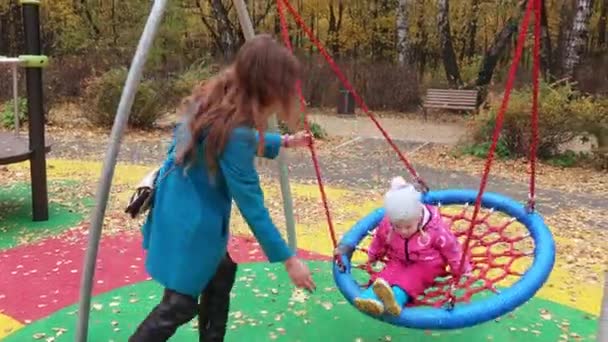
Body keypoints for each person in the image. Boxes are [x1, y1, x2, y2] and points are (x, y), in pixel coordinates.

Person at [129, 34, 316, 342]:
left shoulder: (218, 94)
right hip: (193, 221)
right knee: (180, 303)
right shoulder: (236, 128)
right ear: (266, 89)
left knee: (220, 273)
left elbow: (219, 139)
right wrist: (290, 260)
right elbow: (252, 205)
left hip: (176, 201)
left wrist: (280, 141)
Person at [350, 176, 471, 316]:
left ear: (419, 216)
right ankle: (369, 298)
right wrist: (374, 254)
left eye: (408, 227)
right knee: (385, 277)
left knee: (410, 279)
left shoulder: (435, 230)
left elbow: (451, 248)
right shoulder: (389, 223)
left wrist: (460, 268)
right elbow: (380, 238)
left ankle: (396, 300)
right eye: (397, 227)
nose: (402, 231)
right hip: (398, 258)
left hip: (427, 264)